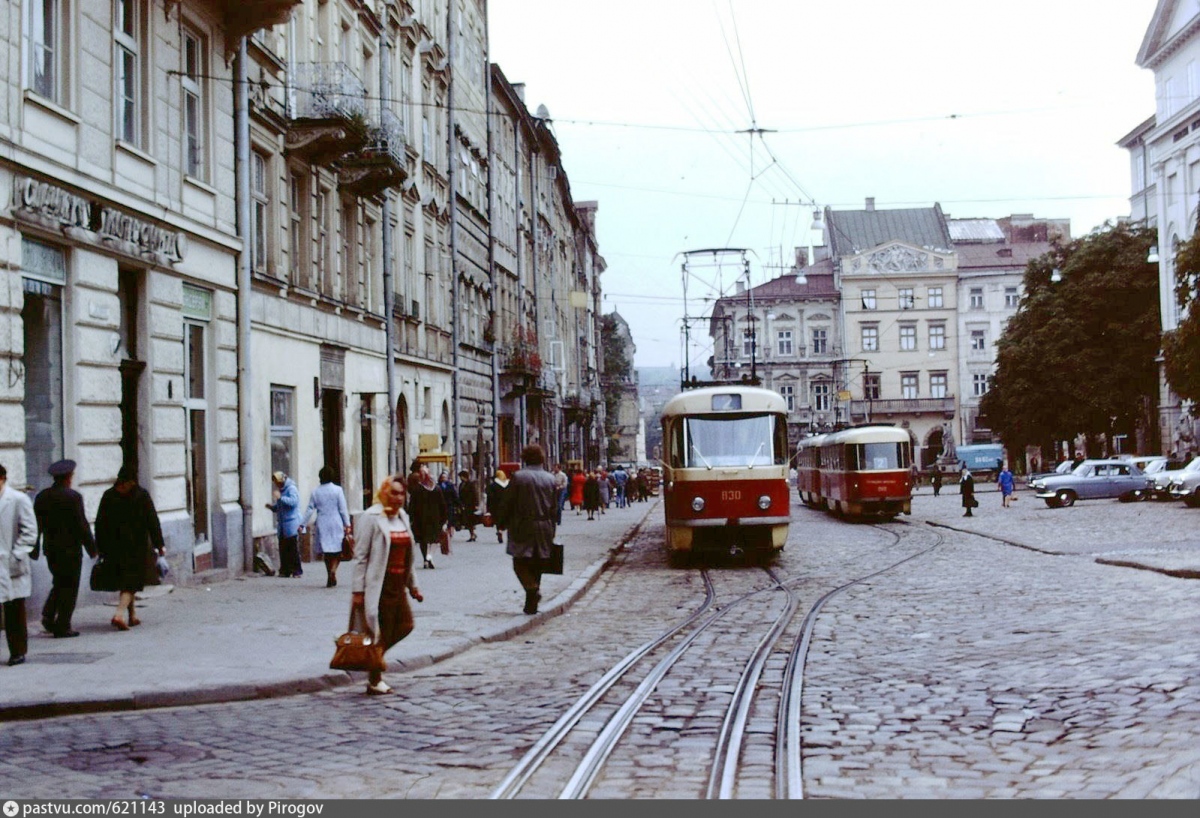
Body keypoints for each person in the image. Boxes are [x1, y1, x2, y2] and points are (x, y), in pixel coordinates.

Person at [350, 474, 424, 695]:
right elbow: (360, 556)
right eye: (394, 492)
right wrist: (358, 591)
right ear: (383, 492)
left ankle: (375, 657)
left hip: (398, 583)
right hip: (379, 584)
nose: (399, 497)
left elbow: (408, 556)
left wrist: (414, 586)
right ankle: (375, 679)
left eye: (402, 493)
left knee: (405, 625)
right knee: (379, 630)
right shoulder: (371, 517)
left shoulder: (402, 517)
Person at [94, 465, 166, 630]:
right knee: (132, 582)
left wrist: (101, 547)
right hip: (136, 547)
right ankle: (119, 614)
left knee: (127, 581)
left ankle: (132, 616)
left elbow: (99, 524)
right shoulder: (141, 496)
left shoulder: (109, 496)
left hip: (114, 547)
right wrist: (159, 544)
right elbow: (152, 522)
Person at [34, 459, 96, 638]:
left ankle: (48, 614)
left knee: (59, 582)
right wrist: (92, 548)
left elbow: (36, 525)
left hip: (51, 549)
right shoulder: (73, 497)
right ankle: (63, 625)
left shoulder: (42, 496)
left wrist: (35, 547)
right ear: (68, 477)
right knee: (70, 587)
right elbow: (82, 525)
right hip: (70, 550)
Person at [498, 444, 558, 615]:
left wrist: (501, 523)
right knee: (537, 563)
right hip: (545, 525)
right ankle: (531, 604)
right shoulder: (550, 478)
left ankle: (532, 590)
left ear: (525, 457)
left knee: (520, 563)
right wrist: (552, 529)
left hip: (523, 525)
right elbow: (555, 508)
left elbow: (508, 502)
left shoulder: (518, 477)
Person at [0, 463, 39, 666]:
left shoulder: (17, 499)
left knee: (15, 610)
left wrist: (17, 554)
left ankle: (18, 651)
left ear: (2, 479)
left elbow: (30, 531)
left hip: (10, 563)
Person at [304, 466, 352, 588]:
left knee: (327, 551)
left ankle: (328, 572)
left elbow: (310, 509)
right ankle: (334, 570)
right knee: (337, 550)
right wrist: (347, 523)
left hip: (322, 522)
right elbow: (342, 508)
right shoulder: (338, 490)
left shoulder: (315, 491)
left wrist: (302, 523)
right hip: (336, 521)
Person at [408, 462, 447, 569]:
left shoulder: (417, 489)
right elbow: (443, 505)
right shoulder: (437, 489)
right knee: (434, 540)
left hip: (421, 519)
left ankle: (425, 558)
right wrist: (444, 519)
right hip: (435, 518)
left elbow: (412, 505)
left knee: (423, 540)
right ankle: (429, 557)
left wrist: (411, 518)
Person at [266, 471, 303, 578]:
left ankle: (297, 570)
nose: (276, 485)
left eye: (277, 482)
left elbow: (293, 502)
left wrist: (280, 498)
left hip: (291, 523)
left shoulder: (291, 489)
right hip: (282, 525)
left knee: (292, 549)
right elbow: (281, 506)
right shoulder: (282, 491)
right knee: (283, 548)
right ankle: (285, 570)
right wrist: (273, 507)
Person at [487, 469, 510, 544]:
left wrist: (488, 507)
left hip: (495, 506)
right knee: (505, 519)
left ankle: (499, 530)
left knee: (497, 520)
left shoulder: (492, 486)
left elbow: (489, 497)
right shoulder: (508, 485)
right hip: (506, 506)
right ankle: (502, 530)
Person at [457, 470, 479, 542]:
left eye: (461, 476)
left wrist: (476, 504)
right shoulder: (461, 484)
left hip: (471, 505)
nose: (460, 478)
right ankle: (472, 534)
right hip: (464, 505)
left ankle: (472, 535)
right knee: (467, 521)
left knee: (470, 521)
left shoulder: (471, 484)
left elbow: (475, 494)